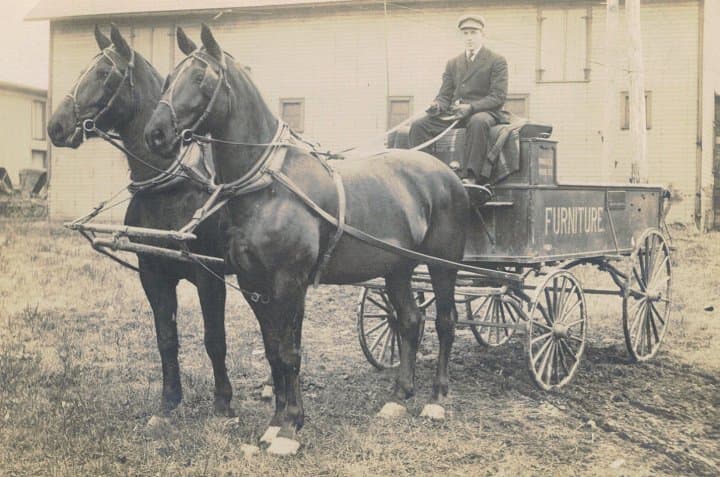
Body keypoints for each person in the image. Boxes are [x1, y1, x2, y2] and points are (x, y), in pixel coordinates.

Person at [409, 14, 510, 184]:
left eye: (473, 32)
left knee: (478, 122)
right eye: (465, 33)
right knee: (419, 125)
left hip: (484, 112)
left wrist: (470, 108)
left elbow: (498, 96)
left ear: (482, 34)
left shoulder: (497, 60)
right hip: (455, 114)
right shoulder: (453, 63)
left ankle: (471, 176)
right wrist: (437, 106)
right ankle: (423, 174)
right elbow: (445, 94)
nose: (469, 37)